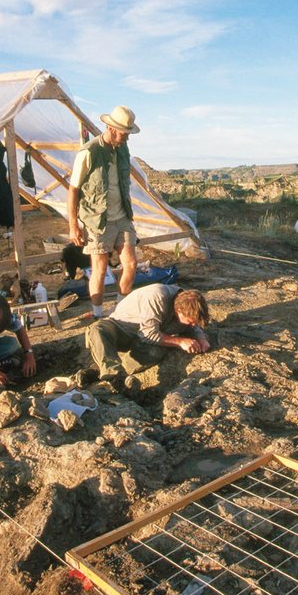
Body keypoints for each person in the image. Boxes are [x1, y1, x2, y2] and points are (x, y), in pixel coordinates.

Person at [67, 106, 140, 319]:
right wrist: (73, 225)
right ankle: (98, 314)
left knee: (132, 264)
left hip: (122, 216)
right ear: (110, 127)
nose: (126, 138)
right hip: (97, 220)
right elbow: (73, 190)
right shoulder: (89, 152)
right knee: (99, 269)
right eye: (124, 134)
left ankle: (119, 310)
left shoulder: (123, 150)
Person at [84, 284, 210, 395]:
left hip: (141, 339)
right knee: (98, 330)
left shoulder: (188, 305)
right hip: (121, 328)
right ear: (179, 310)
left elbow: (194, 325)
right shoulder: (157, 297)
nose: (193, 325)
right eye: (190, 322)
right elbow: (148, 334)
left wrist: (201, 338)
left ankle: (97, 372)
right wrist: (180, 342)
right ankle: (115, 379)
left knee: (156, 352)